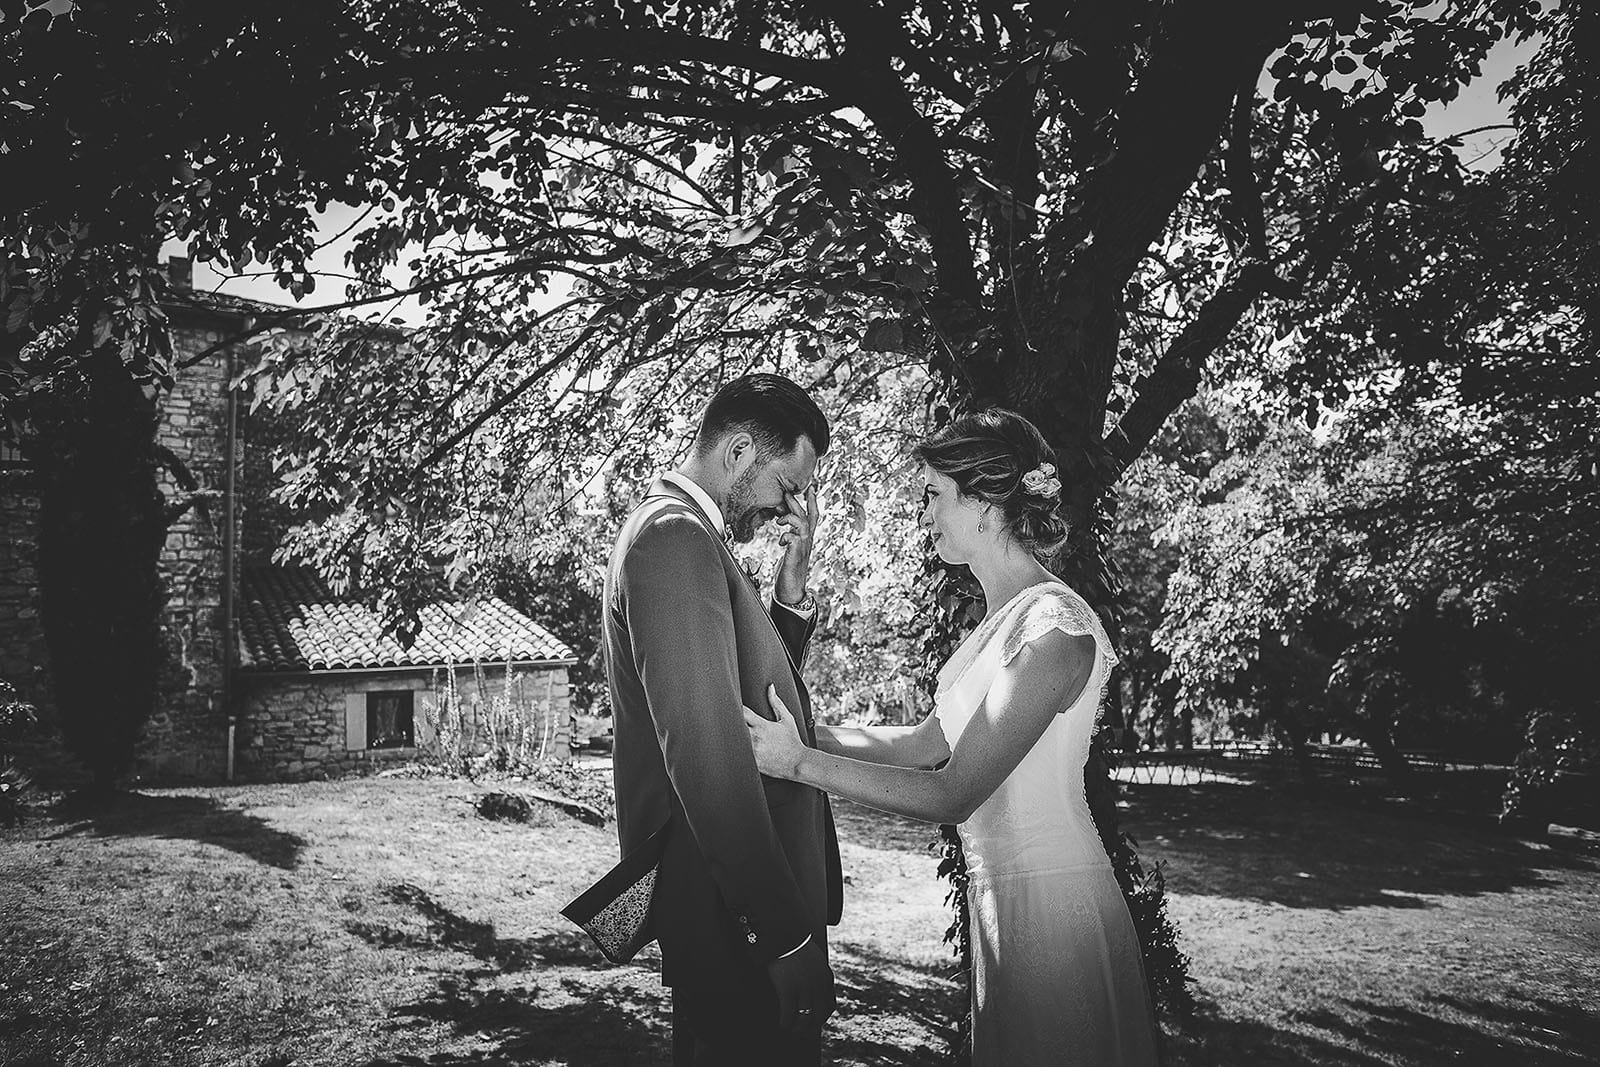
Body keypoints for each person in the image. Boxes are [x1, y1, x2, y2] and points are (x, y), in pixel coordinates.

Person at [745, 408, 1160, 1066]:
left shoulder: (1054, 628)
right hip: (1001, 902)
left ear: (987, 498)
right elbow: (922, 743)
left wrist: (798, 763)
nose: (926, 512)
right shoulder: (1001, 622)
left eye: (935, 493)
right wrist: (807, 735)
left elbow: (953, 791)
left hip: (1053, 905)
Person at [604, 373, 843, 1066]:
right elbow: (707, 756)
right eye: (786, 485)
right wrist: (783, 933)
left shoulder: (684, 534)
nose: (788, 508)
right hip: (732, 916)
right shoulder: (673, 538)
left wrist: (789, 596)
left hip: (732, 910)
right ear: (738, 452)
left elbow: (731, 693)